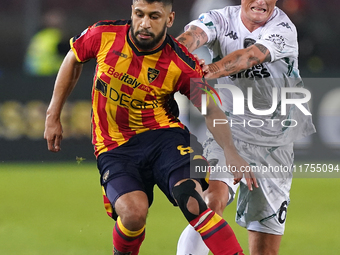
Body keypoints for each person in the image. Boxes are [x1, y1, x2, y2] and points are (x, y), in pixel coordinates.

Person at [44, 0, 257, 254]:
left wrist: (230, 151)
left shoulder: (182, 62)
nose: (144, 23)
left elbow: (210, 109)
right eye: (139, 14)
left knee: (191, 199)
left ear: (169, 19)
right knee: (133, 215)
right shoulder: (103, 35)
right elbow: (73, 58)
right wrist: (52, 114)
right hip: (114, 146)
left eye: (154, 16)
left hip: (164, 138)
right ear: (132, 13)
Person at [176, 0, 316, 255]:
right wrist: (173, 55)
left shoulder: (283, 28)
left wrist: (208, 71)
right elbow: (193, 36)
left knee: (264, 249)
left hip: (275, 140)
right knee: (208, 204)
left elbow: (251, 56)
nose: (261, 1)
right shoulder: (219, 19)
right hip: (228, 129)